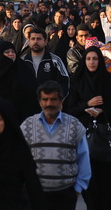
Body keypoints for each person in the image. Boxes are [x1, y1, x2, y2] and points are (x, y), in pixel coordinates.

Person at [66, 46, 111, 210]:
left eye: (95, 59)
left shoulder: (108, 80)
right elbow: (70, 110)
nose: (91, 62)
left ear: (100, 61)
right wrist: (87, 105)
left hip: (106, 140)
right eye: (88, 59)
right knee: (91, 190)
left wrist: (102, 111)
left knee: (108, 190)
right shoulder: (77, 80)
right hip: (84, 141)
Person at [21, 81, 91, 210]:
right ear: (39, 102)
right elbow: (19, 159)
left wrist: (77, 189)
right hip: (34, 195)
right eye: (45, 99)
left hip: (64, 196)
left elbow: (84, 159)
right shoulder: (27, 126)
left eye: (53, 99)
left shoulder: (74, 126)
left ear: (60, 101)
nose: (49, 103)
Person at [0, 40, 39, 122]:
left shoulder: (24, 69)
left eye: (13, 51)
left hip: (22, 117)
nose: (11, 54)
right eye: (7, 52)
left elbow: (32, 90)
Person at [20, 27, 70, 98]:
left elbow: (65, 82)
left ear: (45, 41)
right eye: (33, 39)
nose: (35, 42)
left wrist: (56, 100)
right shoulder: (22, 61)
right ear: (29, 42)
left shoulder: (55, 60)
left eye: (39, 39)